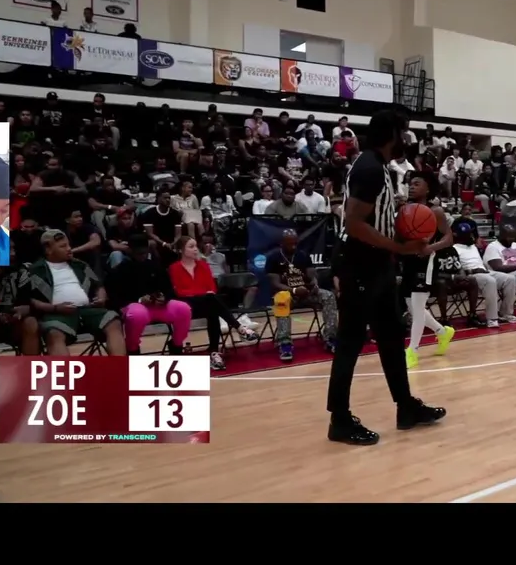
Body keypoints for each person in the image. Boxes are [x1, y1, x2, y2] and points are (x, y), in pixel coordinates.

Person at [327, 110, 444, 447]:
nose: (406, 139)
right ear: (392, 133)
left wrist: (401, 227)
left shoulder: (378, 166)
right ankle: (339, 420)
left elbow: (371, 218)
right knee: (350, 342)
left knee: (391, 337)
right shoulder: (369, 167)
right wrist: (399, 247)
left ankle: (405, 406)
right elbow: (354, 224)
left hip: (376, 263)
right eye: (403, 132)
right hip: (359, 263)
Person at [26, 229, 127, 356]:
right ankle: (64, 369)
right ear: (48, 250)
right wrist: (55, 308)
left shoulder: (80, 265)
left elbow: (98, 286)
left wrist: (101, 297)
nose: (69, 249)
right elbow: (30, 300)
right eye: (63, 246)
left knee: (113, 321)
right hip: (56, 314)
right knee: (53, 334)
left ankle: (119, 366)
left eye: (69, 245)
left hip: (88, 310)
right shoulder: (35, 270)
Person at [169, 236, 258, 370]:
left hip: (206, 302)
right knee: (211, 301)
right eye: (191, 247)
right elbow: (180, 292)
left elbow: (211, 287)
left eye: (196, 246)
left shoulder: (203, 266)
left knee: (212, 307)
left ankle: (214, 352)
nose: (195, 249)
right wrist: (201, 293)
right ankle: (239, 328)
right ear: (181, 250)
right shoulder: (174, 268)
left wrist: (202, 293)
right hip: (186, 306)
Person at [398, 172, 458, 369]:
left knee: (417, 308)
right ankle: (442, 332)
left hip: (426, 263)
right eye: (410, 184)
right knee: (413, 307)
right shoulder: (405, 209)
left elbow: (449, 238)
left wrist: (430, 248)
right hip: (408, 261)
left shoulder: (436, 211)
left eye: (417, 184)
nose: (412, 187)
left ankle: (412, 351)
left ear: (428, 188)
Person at [107, 233, 193, 356]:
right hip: (134, 306)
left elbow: (169, 289)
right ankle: (132, 348)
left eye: (144, 253)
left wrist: (164, 297)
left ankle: (176, 344)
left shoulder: (155, 266)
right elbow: (115, 296)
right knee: (137, 314)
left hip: (158, 306)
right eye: (139, 253)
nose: (142, 256)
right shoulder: (119, 270)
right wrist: (139, 300)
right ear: (131, 251)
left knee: (183, 309)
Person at [266, 228, 338, 362]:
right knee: (282, 299)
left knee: (328, 296)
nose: (293, 246)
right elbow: (275, 283)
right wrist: (293, 290)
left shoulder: (302, 255)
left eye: (295, 243)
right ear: (281, 243)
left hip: (305, 292)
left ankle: (330, 338)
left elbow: (312, 275)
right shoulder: (273, 257)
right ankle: (285, 343)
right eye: (290, 244)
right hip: (287, 294)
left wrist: (314, 284)